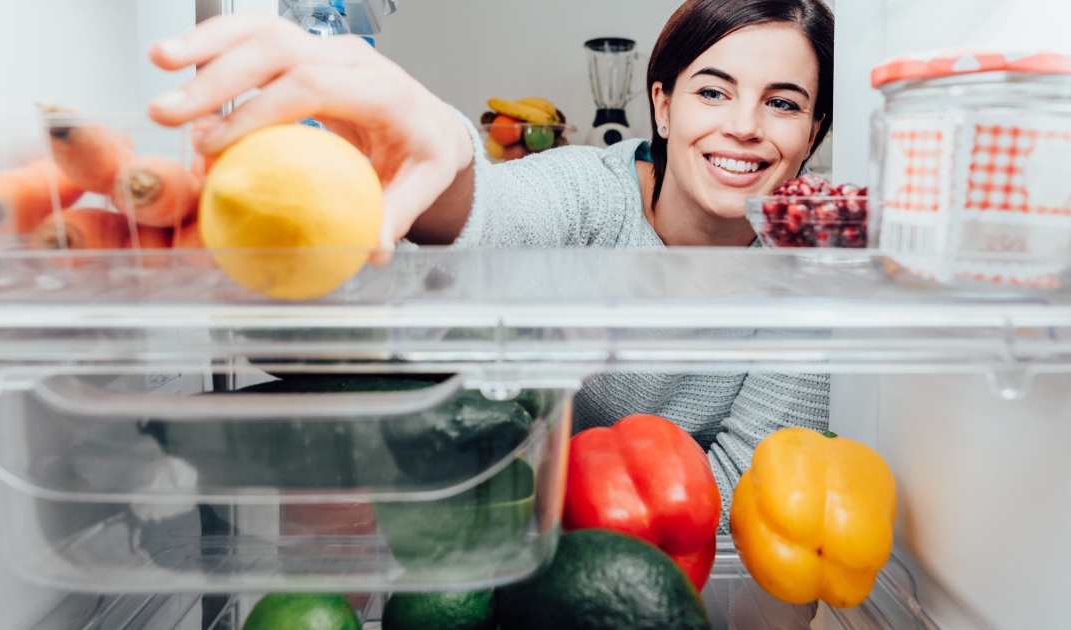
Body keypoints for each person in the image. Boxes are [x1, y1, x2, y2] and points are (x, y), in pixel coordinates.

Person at [147, 0, 834, 533]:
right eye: (712, 92)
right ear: (661, 103)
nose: (745, 125)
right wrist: (442, 144)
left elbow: (757, 488)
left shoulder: (806, 275)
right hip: (502, 525)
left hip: (660, 563)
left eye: (782, 103)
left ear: (813, 133)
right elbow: (496, 214)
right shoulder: (592, 191)